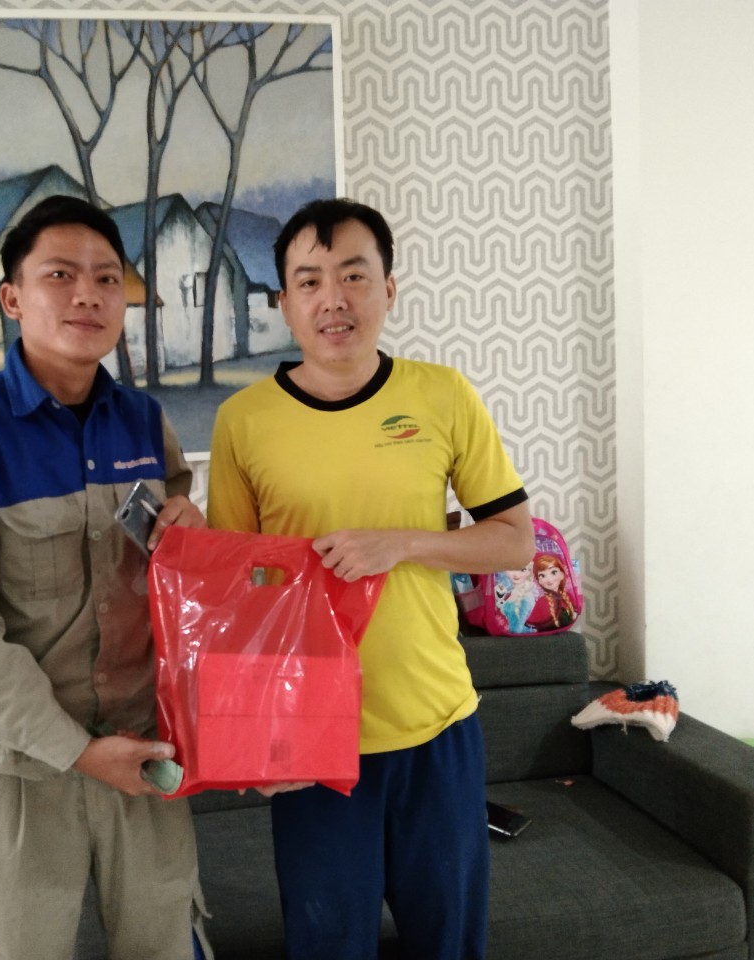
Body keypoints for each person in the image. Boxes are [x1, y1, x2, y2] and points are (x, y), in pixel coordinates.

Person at [207, 198, 535, 960]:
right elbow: (238, 602)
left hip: (436, 724)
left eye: (354, 275)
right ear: (283, 302)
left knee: (450, 944)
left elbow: (514, 541)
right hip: (311, 743)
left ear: (389, 288)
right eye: (310, 281)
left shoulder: (442, 395)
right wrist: (248, 740)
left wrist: (404, 544)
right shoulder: (243, 422)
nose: (334, 299)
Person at [0, 195, 210, 960]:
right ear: (12, 299)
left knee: (169, 943)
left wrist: (194, 533)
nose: (87, 294)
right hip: (14, 764)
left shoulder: (144, 422)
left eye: (106, 278)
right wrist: (76, 750)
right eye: (60, 275)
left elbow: (176, 564)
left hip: (143, 744)